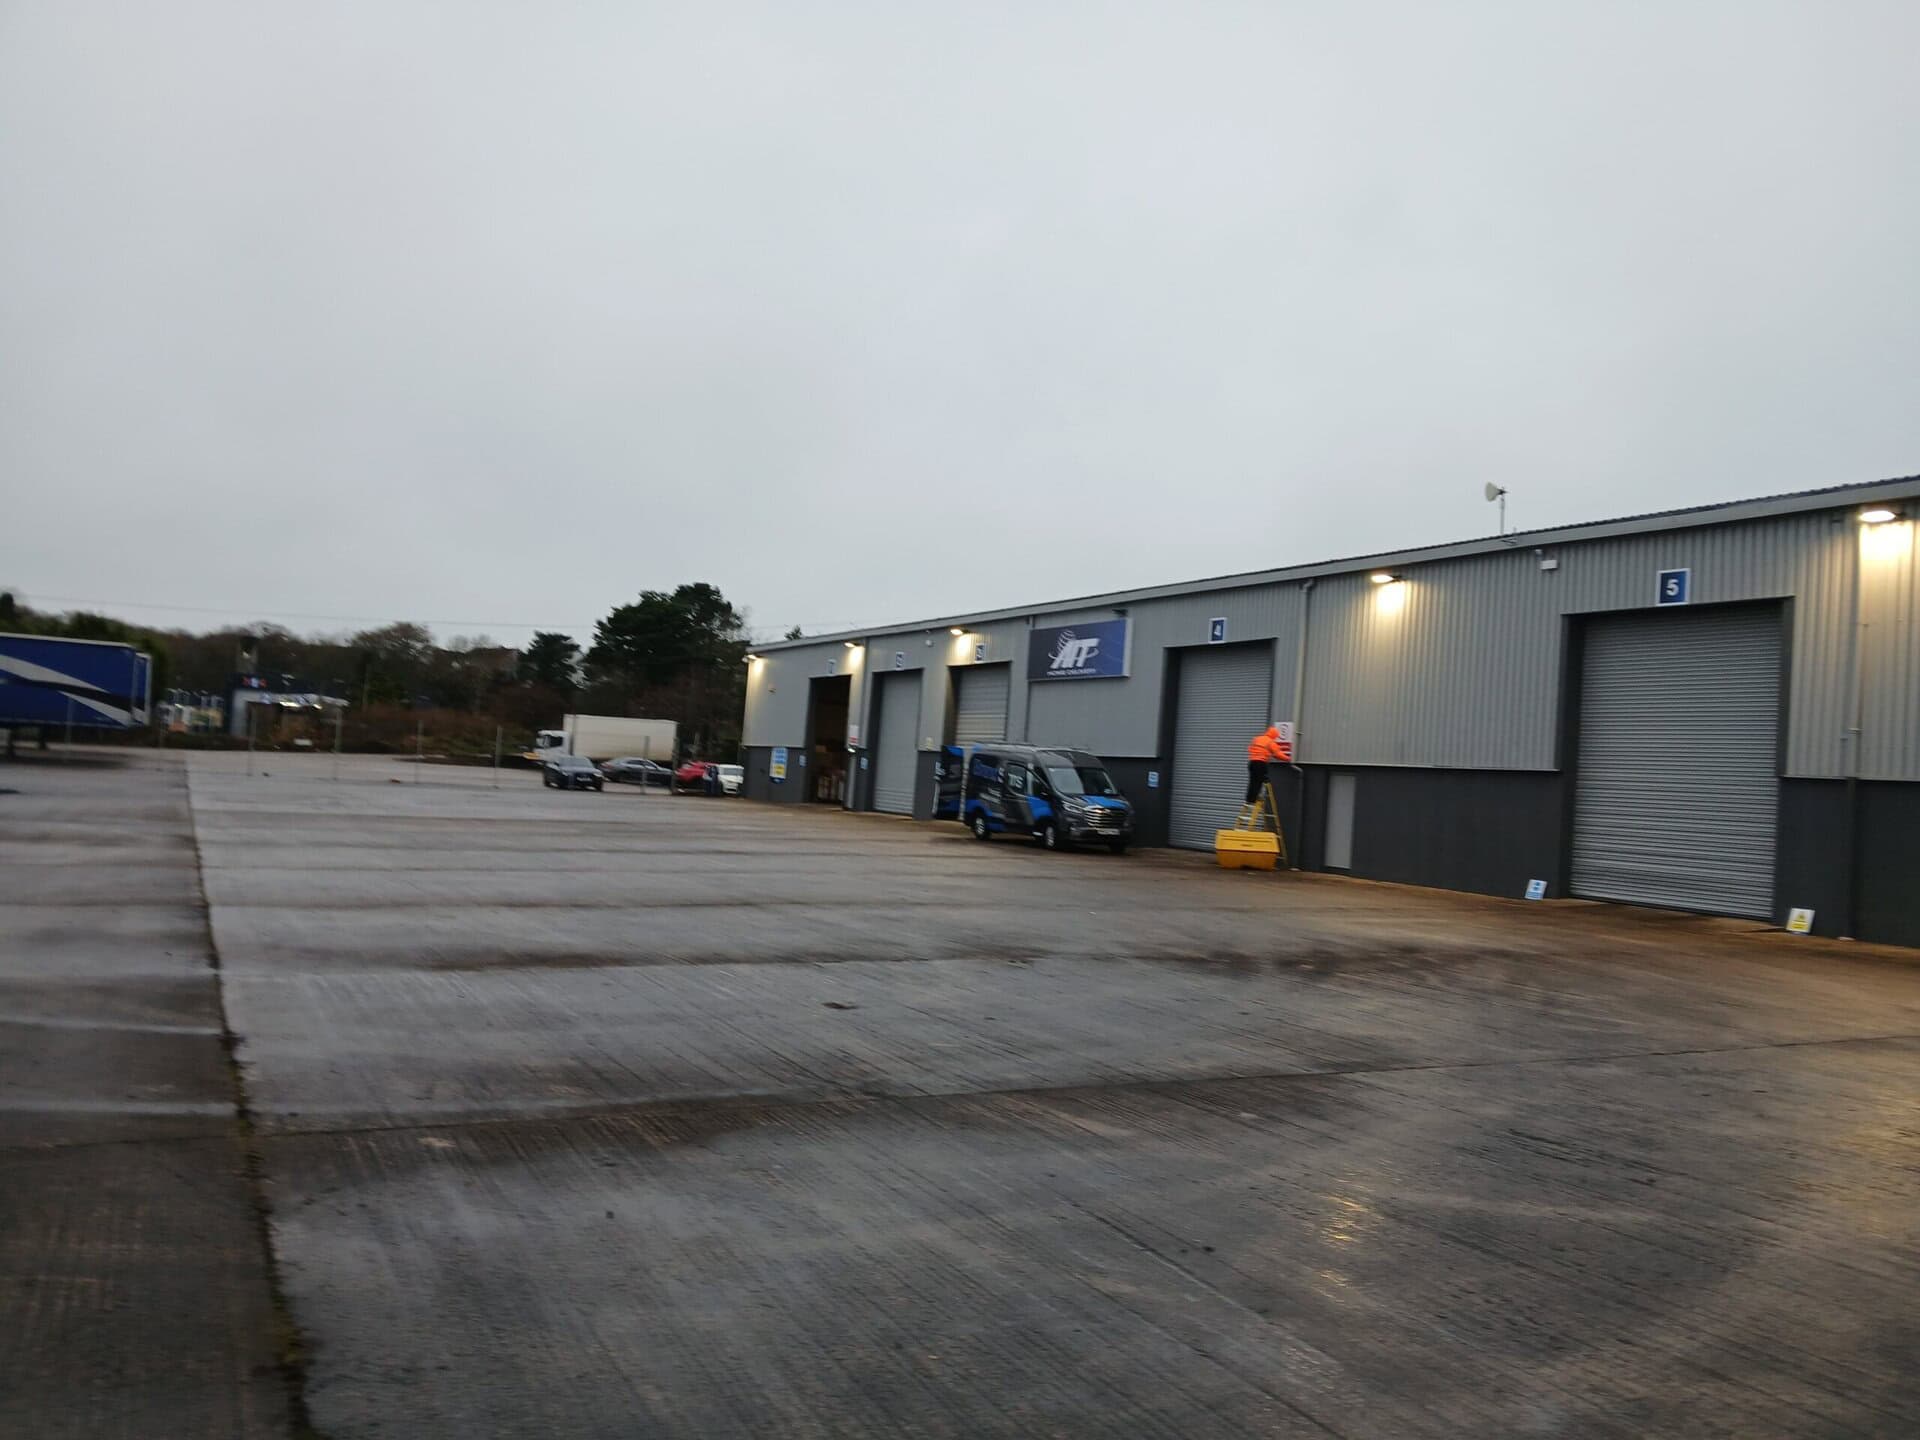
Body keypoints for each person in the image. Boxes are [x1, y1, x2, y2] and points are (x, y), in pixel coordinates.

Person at [1246, 725, 1288, 803]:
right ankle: (1256, 798)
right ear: (1274, 735)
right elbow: (1277, 754)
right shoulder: (1270, 742)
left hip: (1252, 762)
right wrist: (1288, 759)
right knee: (1259, 781)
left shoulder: (1257, 739)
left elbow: (1249, 749)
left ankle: (1250, 799)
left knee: (1253, 781)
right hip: (1261, 763)